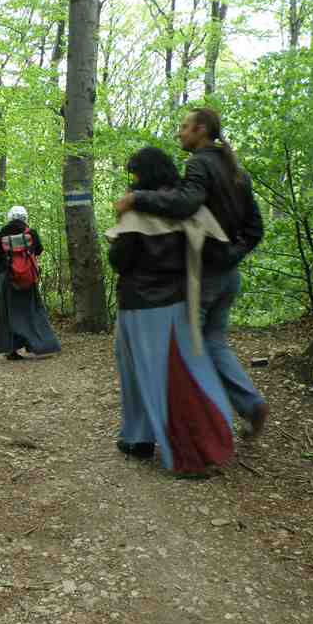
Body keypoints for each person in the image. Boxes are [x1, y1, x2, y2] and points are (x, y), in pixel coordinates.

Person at [115, 107, 267, 437]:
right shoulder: (236, 171)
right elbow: (255, 229)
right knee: (214, 343)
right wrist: (232, 256)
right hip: (228, 275)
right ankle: (250, 402)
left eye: (184, 127)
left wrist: (136, 199)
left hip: (204, 275)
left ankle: (205, 429)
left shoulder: (199, 163)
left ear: (201, 130)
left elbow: (186, 204)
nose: (179, 133)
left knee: (188, 354)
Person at [107, 146, 234, 477]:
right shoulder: (186, 208)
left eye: (134, 173)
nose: (131, 180)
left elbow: (120, 260)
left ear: (143, 174)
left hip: (139, 304)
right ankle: (143, 438)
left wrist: (117, 234)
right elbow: (216, 249)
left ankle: (155, 444)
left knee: (139, 373)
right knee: (174, 374)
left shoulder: (136, 210)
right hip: (177, 301)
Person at [0, 206, 60, 361]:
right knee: (31, 311)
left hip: (6, 277)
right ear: (24, 217)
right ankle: (41, 345)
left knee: (7, 314)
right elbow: (39, 250)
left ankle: (10, 350)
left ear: (10, 217)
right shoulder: (31, 233)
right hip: (27, 278)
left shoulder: (1, 234)